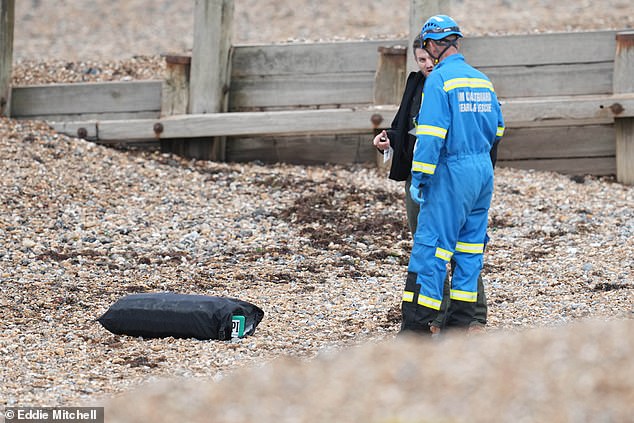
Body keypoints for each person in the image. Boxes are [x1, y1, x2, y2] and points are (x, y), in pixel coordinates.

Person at [373, 33, 490, 333]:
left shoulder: (445, 83)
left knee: (441, 248)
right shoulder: (420, 85)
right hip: (448, 174)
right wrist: (389, 141)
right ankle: (447, 318)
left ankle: (456, 319)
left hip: (445, 177)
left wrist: (424, 179)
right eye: (420, 60)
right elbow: (409, 129)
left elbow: (438, 136)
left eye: (428, 57)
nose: (426, 64)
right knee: (447, 246)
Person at [403, 14, 504, 335]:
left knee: (431, 247)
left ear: (432, 45)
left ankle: (416, 328)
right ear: (455, 41)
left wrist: (419, 177)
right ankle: (461, 324)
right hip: (481, 171)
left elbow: (431, 135)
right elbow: (499, 128)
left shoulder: (439, 80)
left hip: (452, 171)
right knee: (470, 247)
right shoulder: (481, 80)